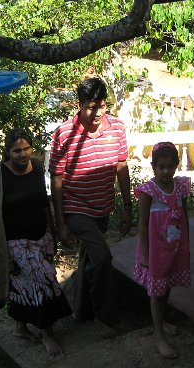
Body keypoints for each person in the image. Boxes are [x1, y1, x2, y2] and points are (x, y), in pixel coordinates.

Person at [48, 76, 133, 339]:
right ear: (80, 105)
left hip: (103, 207)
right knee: (103, 257)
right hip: (76, 208)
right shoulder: (64, 133)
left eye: (102, 106)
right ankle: (104, 317)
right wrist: (60, 222)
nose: (97, 113)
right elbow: (56, 178)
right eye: (90, 107)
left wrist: (127, 205)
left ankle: (81, 310)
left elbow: (121, 165)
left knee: (89, 259)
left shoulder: (117, 128)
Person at [1, 128, 72, 356]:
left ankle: (20, 327)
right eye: (17, 151)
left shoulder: (37, 167)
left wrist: (52, 233)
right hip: (16, 240)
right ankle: (47, 333)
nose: (23, 154)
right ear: (8, 152)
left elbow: (43, 202)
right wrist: (4, 252)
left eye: (26, 149)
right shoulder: (0, 175)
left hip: (41, 234)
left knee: (26, 282)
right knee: (42, 281)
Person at [134, 141, 191, 359]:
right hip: (156, 253)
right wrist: (146, 254)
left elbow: (184, 217)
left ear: (177, 165)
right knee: (157, 292)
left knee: (166, 287)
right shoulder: (148, 191)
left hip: (175, 249)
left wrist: (186, 245)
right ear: (153, 166)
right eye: (161, 167)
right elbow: (142, 225)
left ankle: (162, 321)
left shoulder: (181, 187)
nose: (166, 171)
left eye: (171, 166)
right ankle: (158, 335)